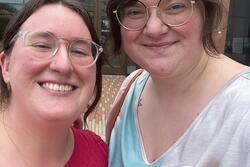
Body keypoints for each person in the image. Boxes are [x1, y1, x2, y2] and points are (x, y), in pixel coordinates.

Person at [106, 0, 250, 166]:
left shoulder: (244, 109)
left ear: (206, 13)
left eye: (175, 7)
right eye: (135, 12)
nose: (153, 29)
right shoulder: (132, 86)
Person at [0, 0, 108, 166]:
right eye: (42, 46)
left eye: (79, 51)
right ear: (6, 66)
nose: (63, 64)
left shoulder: (102, 156)